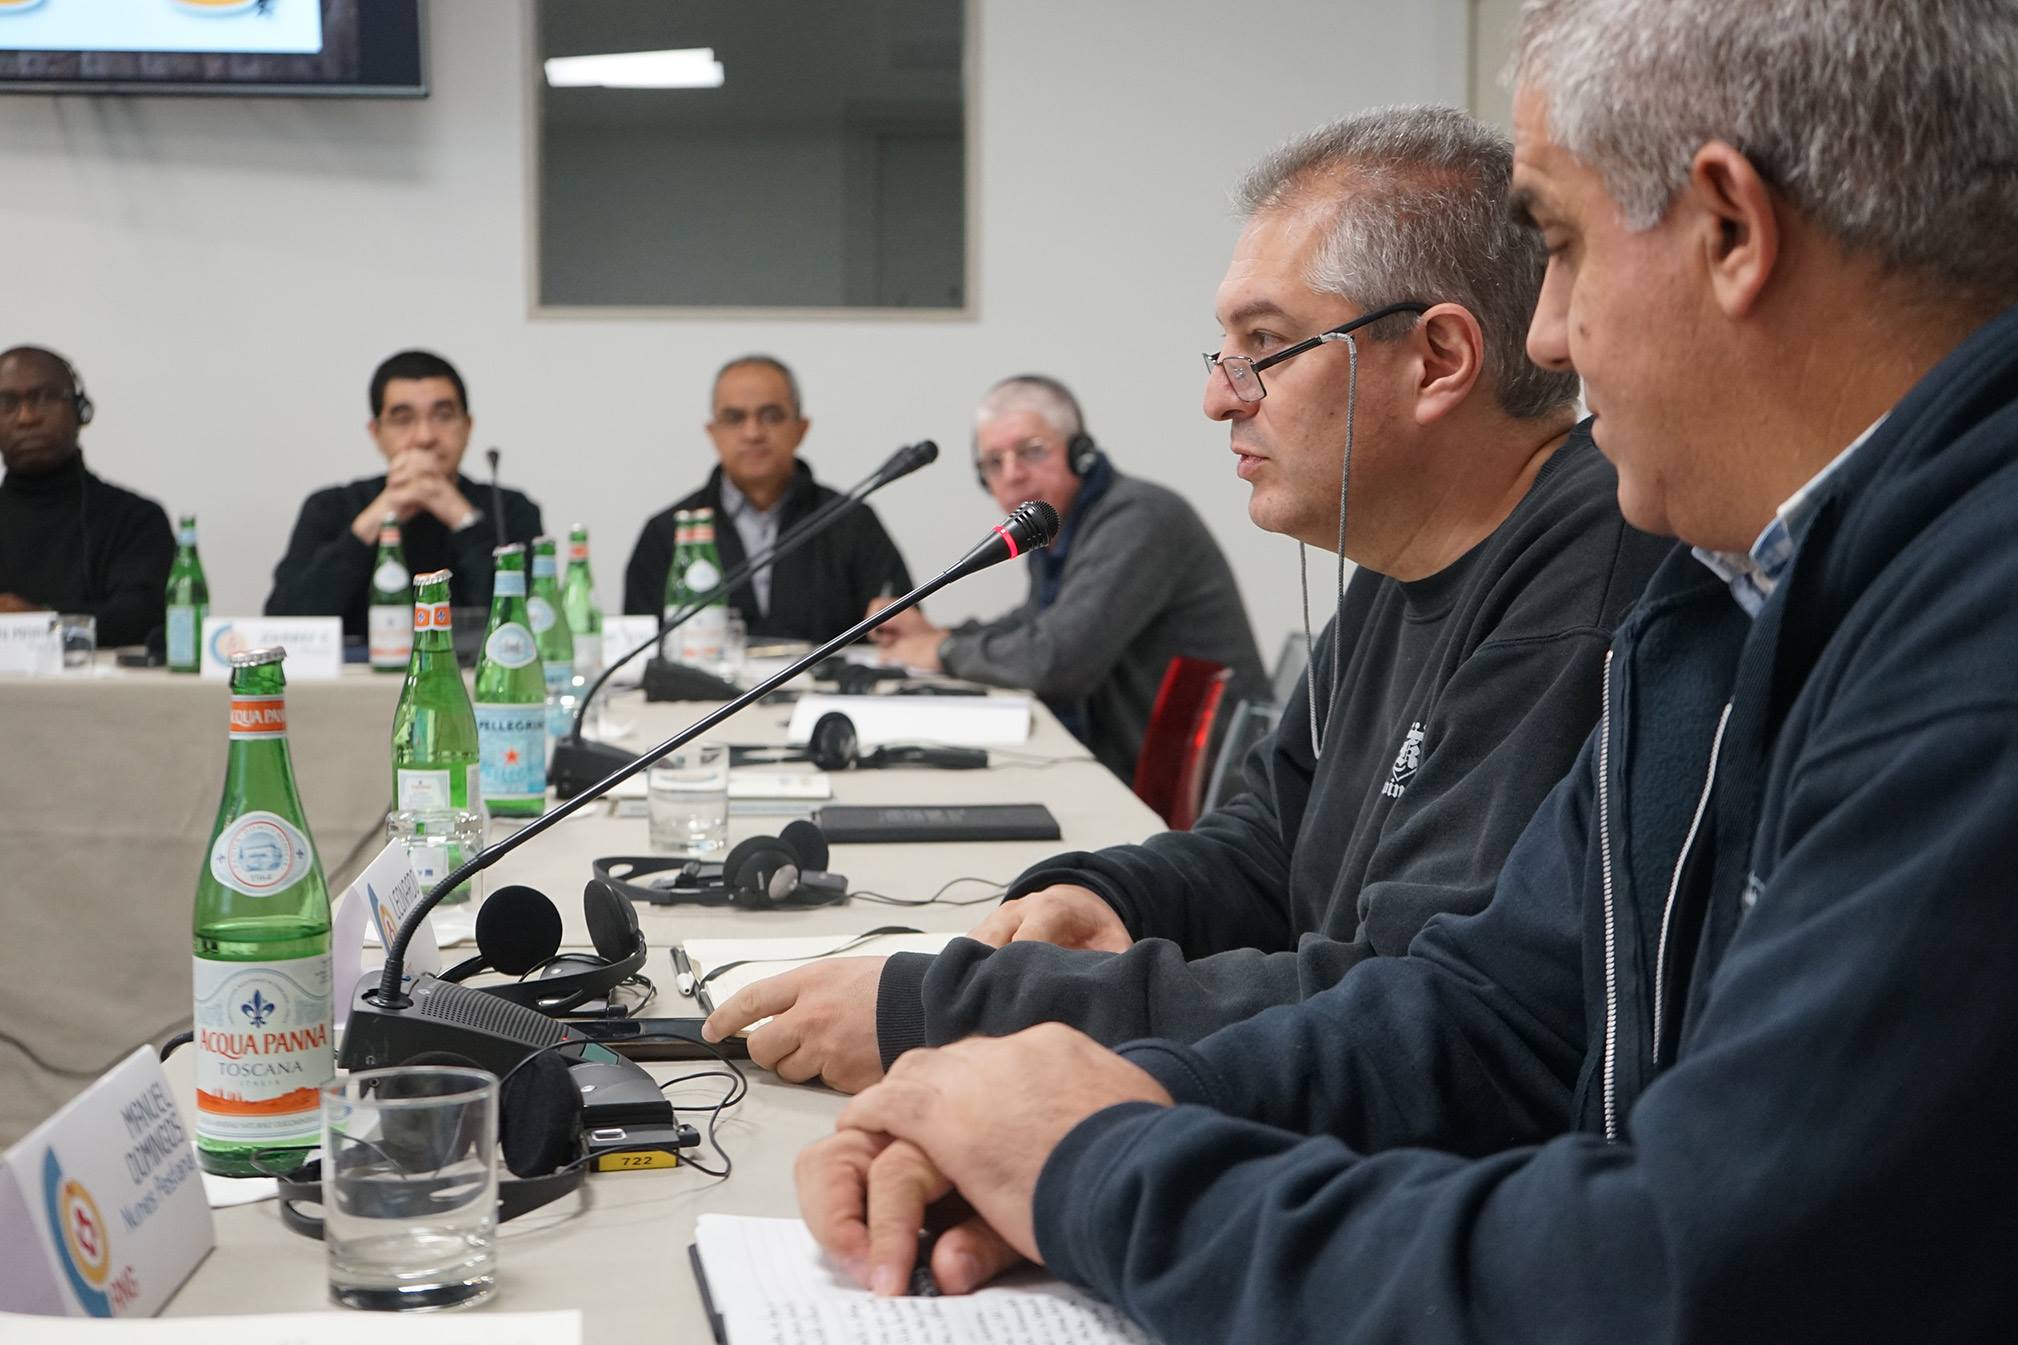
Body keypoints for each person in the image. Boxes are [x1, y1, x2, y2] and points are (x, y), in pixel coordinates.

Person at [793, 5, 2018, 1338]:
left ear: (1728, 230)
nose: (1543, 338)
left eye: (1558, 244)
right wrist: (1100, 1105)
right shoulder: (1733, 591)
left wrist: (1098, 1165)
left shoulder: (1958, 644)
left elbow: (1685, 1269)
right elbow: (1494, 1017)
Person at [705, 107, 1669, 1094]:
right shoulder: (1406, 557)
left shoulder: (1581, 580)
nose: (1219, 397)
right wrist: (1112, 893)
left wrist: (957, 1013)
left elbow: (1418, 1016)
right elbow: (1271, 846)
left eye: (1264, 342)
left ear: (1436, 360)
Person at [865, 374, 1269, 780]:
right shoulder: (1058, 528)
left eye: (1031, 451)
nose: (1012, 474)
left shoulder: (1138, 518)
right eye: (994, 462)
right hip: (1139, 765)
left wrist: (943, 649)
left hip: (1207, 786)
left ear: (1081, 454)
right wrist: (939, 634)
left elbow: (1058, 663)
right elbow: (1034, 624)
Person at [622, 355, 912, 644]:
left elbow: (904, 634)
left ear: (801, 428)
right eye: (734, 418)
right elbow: (638, 651)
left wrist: (893, 632)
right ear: (713, 432)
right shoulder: (667, 533)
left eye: (771, 416)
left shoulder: (852, 522)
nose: (753, 433)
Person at [265, 350, 542, 637]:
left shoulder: (510, 509)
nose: (425, 437)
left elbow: (533, 621)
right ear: (376, 433)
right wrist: (376, 518)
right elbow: (283, 624)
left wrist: (460, 515)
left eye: (443, 416)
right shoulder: (330, 506)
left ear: (467, 427)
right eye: (403, 419)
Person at [0, 346, 173, 648]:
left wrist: (41, 621)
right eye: (7, 403)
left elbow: (143, 616)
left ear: (80, 410)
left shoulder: (136, 519)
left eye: (44, 397)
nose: (26, 418)